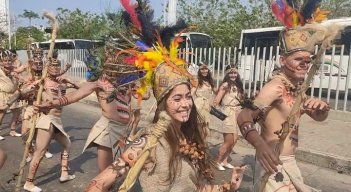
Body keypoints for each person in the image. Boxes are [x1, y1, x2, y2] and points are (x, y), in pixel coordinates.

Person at [237, 26, 336, 191]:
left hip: (289, 162)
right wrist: (260, 146)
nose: (304, 64)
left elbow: (318, 117)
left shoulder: (298, 89)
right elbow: (243, 116)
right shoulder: (275, 87)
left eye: (307, 60)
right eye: (298, 60)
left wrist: (322, 109)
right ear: (283, 61)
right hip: (273, 161)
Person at [36, 49, 132, 173]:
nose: (114, 67)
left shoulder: (127, 82)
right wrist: (51, 104)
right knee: (106, 173)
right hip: (108, 130)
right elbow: (75, 95)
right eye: (109, 63)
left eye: (118, 64)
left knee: (118, 170)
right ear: (103, 64)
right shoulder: (98, 82)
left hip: (123, 131)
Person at [23, 58, 77, 192]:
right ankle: (28, 183)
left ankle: (64, 174)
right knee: (40, 152)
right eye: (53, 67)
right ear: (47, 68)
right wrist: (35, 87)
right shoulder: (43, 82)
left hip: (57, 121)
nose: (56, 69)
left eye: (58, 67)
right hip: (46, 120)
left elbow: (79, 89)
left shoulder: (61, 83)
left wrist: (69, 82)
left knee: (67, 144)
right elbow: (23, 92)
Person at [212, 65, 243, 171]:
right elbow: (216, 101)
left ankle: (224, 161)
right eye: (231, 73)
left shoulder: (238, 85)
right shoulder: (225, 85)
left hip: (236, 113)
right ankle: (217, 161)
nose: (233, 75)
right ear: (227, 74)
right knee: (228, 141)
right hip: (227, 114)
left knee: (234, 140)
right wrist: (219, 115)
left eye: (235, 73)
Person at [0, 51, 22, 140]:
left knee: (17, 113)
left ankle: (12, 130)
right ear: (1, 62)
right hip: (3, 95)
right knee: (2, 114)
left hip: (14, 95)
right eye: (5, 61)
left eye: (9, 60)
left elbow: (22, 70)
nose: (8, 62)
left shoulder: (14, 70)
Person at [192, 62, 217, 138]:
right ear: (199, 70)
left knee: (205, 126)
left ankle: (201, 143)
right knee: (200, 126)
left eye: (206, 69)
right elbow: (192, 92)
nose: (204, 71)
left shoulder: (209, 81)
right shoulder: (197, 80)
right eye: (202, 69)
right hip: (199, 105)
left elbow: (217, 92)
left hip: (207, 106)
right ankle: (201, 144)